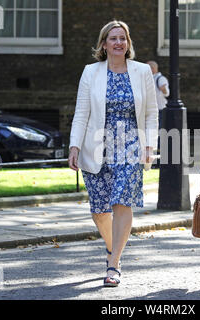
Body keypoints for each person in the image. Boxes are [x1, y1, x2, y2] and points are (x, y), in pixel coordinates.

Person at [68, 20, 158, 287]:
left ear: (128, 43)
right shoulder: (90, 72)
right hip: (97, 144)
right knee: (99, 209)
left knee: (122, 200)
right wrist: (74, 145)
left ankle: (114, 263)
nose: (119, 43)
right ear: (104, 44)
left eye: (123, 38)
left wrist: (149, 145)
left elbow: (152, 112)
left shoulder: (142, 71)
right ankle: (112, 248)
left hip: (131, 143)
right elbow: (81, 112)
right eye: (113, 38)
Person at [146, 60, 169, 129]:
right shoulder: (149, 78)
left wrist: (164, 89)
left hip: (159, 109)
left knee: (158, 129)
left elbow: (167, 93)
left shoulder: (160, 79)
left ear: (152, 68)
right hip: (150, 109)